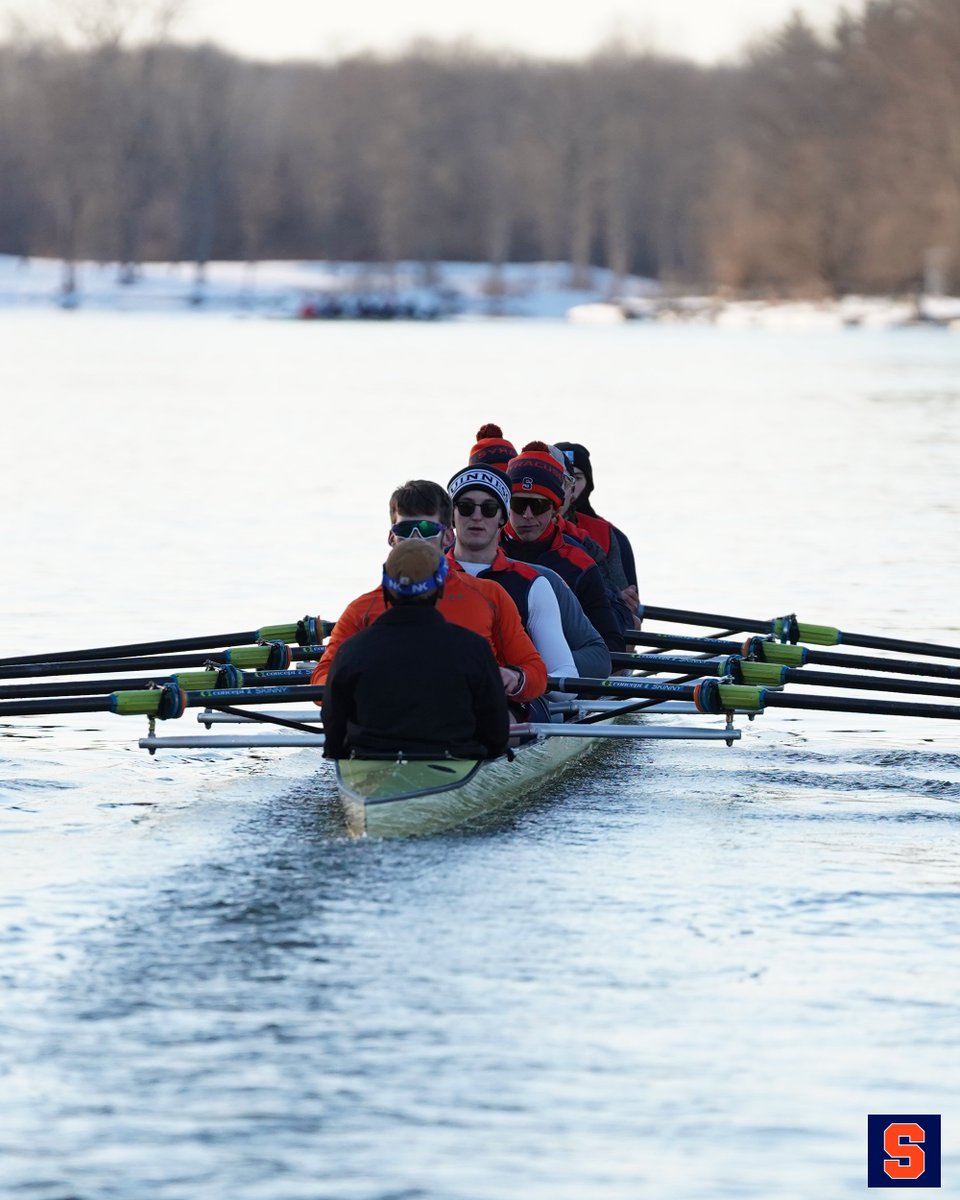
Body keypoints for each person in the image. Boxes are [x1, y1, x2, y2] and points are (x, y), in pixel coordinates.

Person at [312, 480, 547, 704]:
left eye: (426, 529)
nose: (415, 539)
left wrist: (515, 678)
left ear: (448, 536)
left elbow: (535, 672)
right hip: (391, 717)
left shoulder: (490, 595)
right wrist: (358, 685)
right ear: (392, 538)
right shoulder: (362, 609)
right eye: (405, 529)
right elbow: (322, 677)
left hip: (470, 716)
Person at [321, 540, 509, 759]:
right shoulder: (474, 648)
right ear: (440, 588)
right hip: (453, 763)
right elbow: (496, 737)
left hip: (370, 762)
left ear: (386, 588)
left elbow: (333, 735)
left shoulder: (351, 650)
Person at [446, 463, 580, 695]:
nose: (476, 516)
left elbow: (566, 680)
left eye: (489, 509)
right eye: (466, 507)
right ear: (452, 516)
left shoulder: (533, 584)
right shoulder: (424, 578)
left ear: (503, 517)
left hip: (510, 703)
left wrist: (518, 679)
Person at [501, 442, 626, 653]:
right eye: (518, 505)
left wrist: (554, 664)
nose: (527, 515)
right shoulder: (483, 552)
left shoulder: (580, 562)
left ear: (554, 509)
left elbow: (611, 643)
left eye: (538, 506)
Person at [555, 440, 640, 615]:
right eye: (562, 479)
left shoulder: (610, 535)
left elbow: (631, 605)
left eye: (577, 478)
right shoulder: (524, 524)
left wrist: (624, 602)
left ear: (589, 483)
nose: (571, 487)